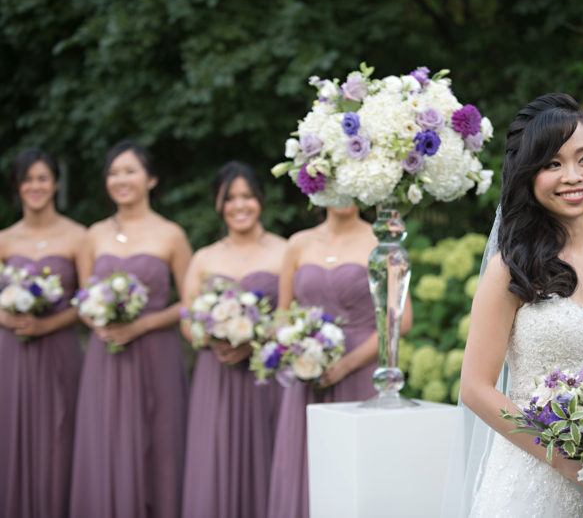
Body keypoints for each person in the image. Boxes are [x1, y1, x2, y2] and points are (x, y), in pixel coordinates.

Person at [453, 93, 583, 516]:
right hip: (531, 481)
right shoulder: (509, 268)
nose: (573, 175)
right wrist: (570, 465)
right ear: (528, 176)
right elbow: (476, 388)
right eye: (552, 164)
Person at [69, 140, 192, 518]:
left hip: (156, 353)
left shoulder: (171, 234)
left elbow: (190, 303)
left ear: (151, 179)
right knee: (106, 439)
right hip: (105, 354)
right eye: (113, 172)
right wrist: (98, 321)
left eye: (130, 171)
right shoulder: (93, 235)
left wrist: (142, 326)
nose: (120, 179)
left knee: (160, 440)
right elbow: (82, 298)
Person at [266, 204, 413, 518]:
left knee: (355, 471)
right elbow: (282, 313)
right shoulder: (297, 243)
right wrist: (295, 346)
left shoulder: (383, 244)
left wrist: (346, 365)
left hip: (361, 373)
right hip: (305, 378)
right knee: (302, 466)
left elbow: (401, 318)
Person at [181, 161, 286, 518]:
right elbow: (186, 317)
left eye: (247, 196)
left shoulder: (285, 251)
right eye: (230, 198)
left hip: (265, 375)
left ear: (261, 200)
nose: (239, 205)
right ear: (218, 204)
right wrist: (214, 341)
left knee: (266, 455)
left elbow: (289, 316)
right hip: (216, 375)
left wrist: (253, 341)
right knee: (214, 459)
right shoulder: (204, 257)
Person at [0, 148, 86, 518]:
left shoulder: (78, 236)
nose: (35, 186)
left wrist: (48, 324)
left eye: (42, 178)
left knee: (59, 434)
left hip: (59, 349)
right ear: (17, 186)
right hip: (11, 352)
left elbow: (87, 298)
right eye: (27, 179)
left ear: (55, 184)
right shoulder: (4, 239)